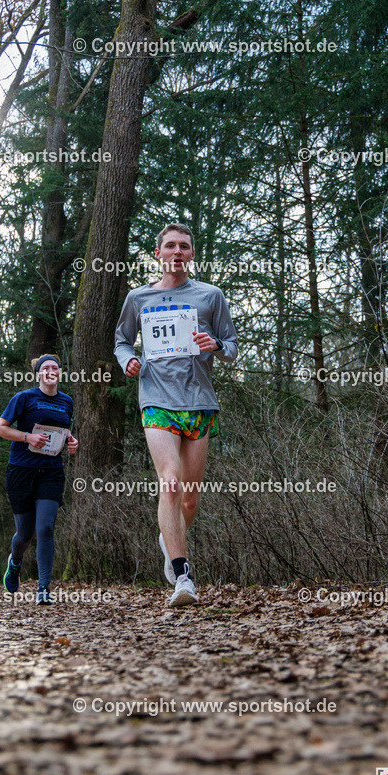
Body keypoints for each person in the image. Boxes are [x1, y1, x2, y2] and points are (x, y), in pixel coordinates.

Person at [114, 222, 238, 607]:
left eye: (184, 246)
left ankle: (171, 536)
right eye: (170, 246)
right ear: (158, 254)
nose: (177, 252)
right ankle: (183, 576)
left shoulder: (210, 295)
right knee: (170, 483)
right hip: (155, 399)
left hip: (199, 402)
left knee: (188, 501)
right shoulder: (138, 298)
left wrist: (214, 343)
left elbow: (232, 347)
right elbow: (121, 340)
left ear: (192, 254)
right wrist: (128, 360)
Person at [0, 354, 78, 605]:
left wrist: (71, 442)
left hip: (51, 471)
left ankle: (44, 587)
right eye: (46, 368)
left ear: (60, 373)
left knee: (45, 527)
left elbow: (63, 430)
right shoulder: (24, 398)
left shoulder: (66, 401)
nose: (51, 371)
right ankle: (15, 562)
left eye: (55, 367)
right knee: (25, 534)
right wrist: (27, 437)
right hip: (21, 470)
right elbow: (0, 428)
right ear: (38, 374)